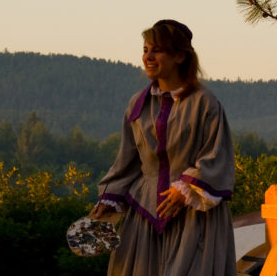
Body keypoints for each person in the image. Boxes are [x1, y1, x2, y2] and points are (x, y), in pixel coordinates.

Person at [91, 19, 236, 275]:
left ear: (179, 56)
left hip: (195, 214)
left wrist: (186, 190)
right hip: (144, 216)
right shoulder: (138, 104)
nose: (148, 56)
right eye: (145, 49)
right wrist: (110, 198)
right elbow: (127, 161)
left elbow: (217, 155)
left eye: (156, 50)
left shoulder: (205, 103)